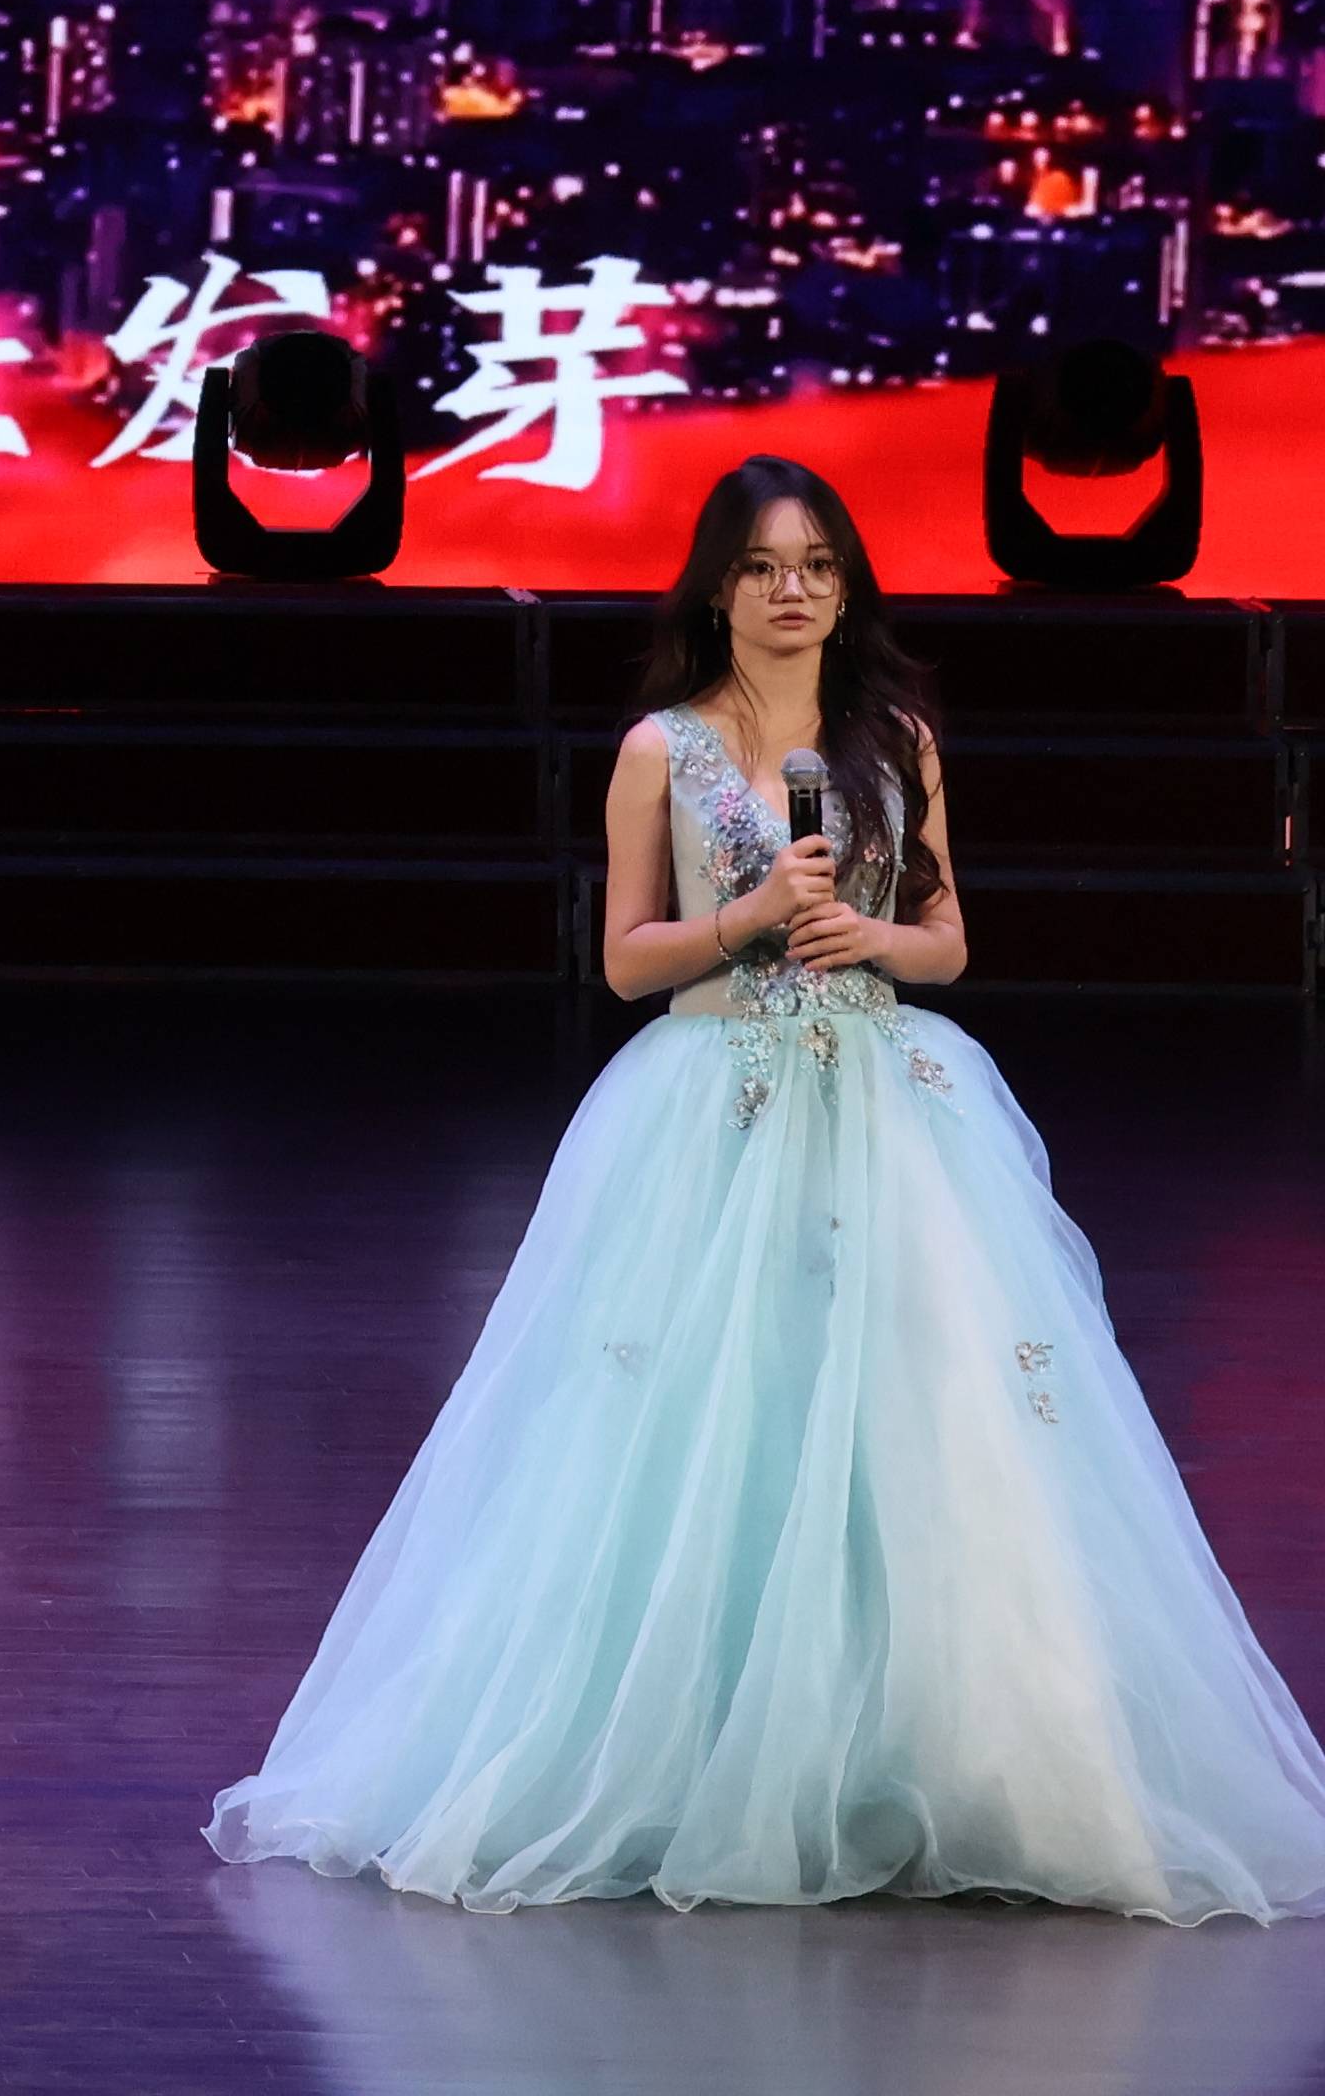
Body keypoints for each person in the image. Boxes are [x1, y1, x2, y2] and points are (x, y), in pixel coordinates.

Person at [210, 457, 1325, 1920]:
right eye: (761, 566)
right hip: (710, 1104)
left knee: (919, 1415)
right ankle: (684, 1755)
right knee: (705, 1412)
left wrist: (875, 941)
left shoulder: (896, 739)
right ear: (717, 590)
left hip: (885, 1104)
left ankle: (949, 1761)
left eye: (816, 565)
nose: (792, 590)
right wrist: (744, 919)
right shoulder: (659, 749)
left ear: (847, 589)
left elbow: (948, 936)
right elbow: (624, 960)